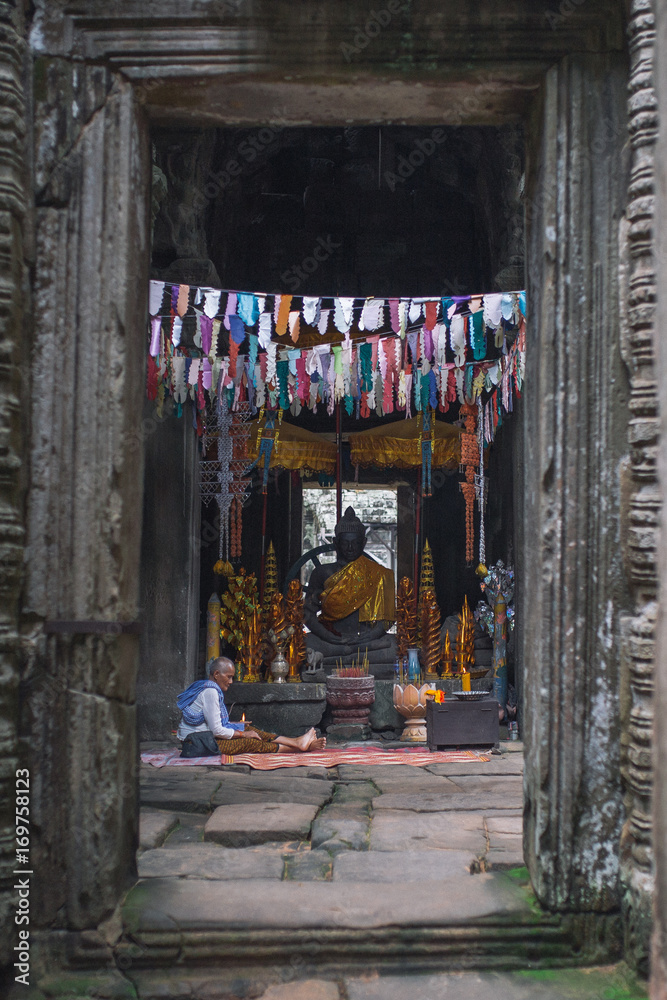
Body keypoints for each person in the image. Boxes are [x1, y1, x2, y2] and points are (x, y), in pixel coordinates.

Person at [176, 656, 326, 757]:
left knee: (247, 729)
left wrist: (238, 727)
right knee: (249, 741)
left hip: (205, 738)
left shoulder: (208, 687)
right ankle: (298, 746)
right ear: (216, 674)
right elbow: (216, 731)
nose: (231, 681)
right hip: (197, 743)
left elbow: (211, 724)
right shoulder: (210, 692)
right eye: (228, 677)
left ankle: (297, 742)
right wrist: (243, 734)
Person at [304, 506, 395, 657]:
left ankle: (347, 652)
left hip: (366, 639)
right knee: (304, 643)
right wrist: (328, 636)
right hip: (331, 638)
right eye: (345, 543)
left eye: (355, 543)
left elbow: (386, 620)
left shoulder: (379, 573)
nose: (350, 548)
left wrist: (369, 636)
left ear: (364, 542)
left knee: (396, 647)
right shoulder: (322, 573)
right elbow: (307, 614)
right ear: (335, 542)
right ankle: (348, 651)